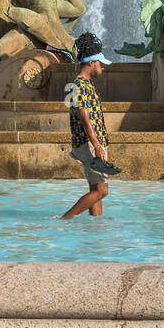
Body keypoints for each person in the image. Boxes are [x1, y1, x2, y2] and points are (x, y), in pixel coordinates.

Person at [59, 33, 117, 219]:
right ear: (91, 63)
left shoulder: (82, 85)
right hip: (90, 143)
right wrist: (97, 145)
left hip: (87, 143)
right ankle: (64, 219)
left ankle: (96, 226)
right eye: (100, 63)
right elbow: (84, 117)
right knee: (102, 190)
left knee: (95, 188)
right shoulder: (79, 85)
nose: (102, 67)